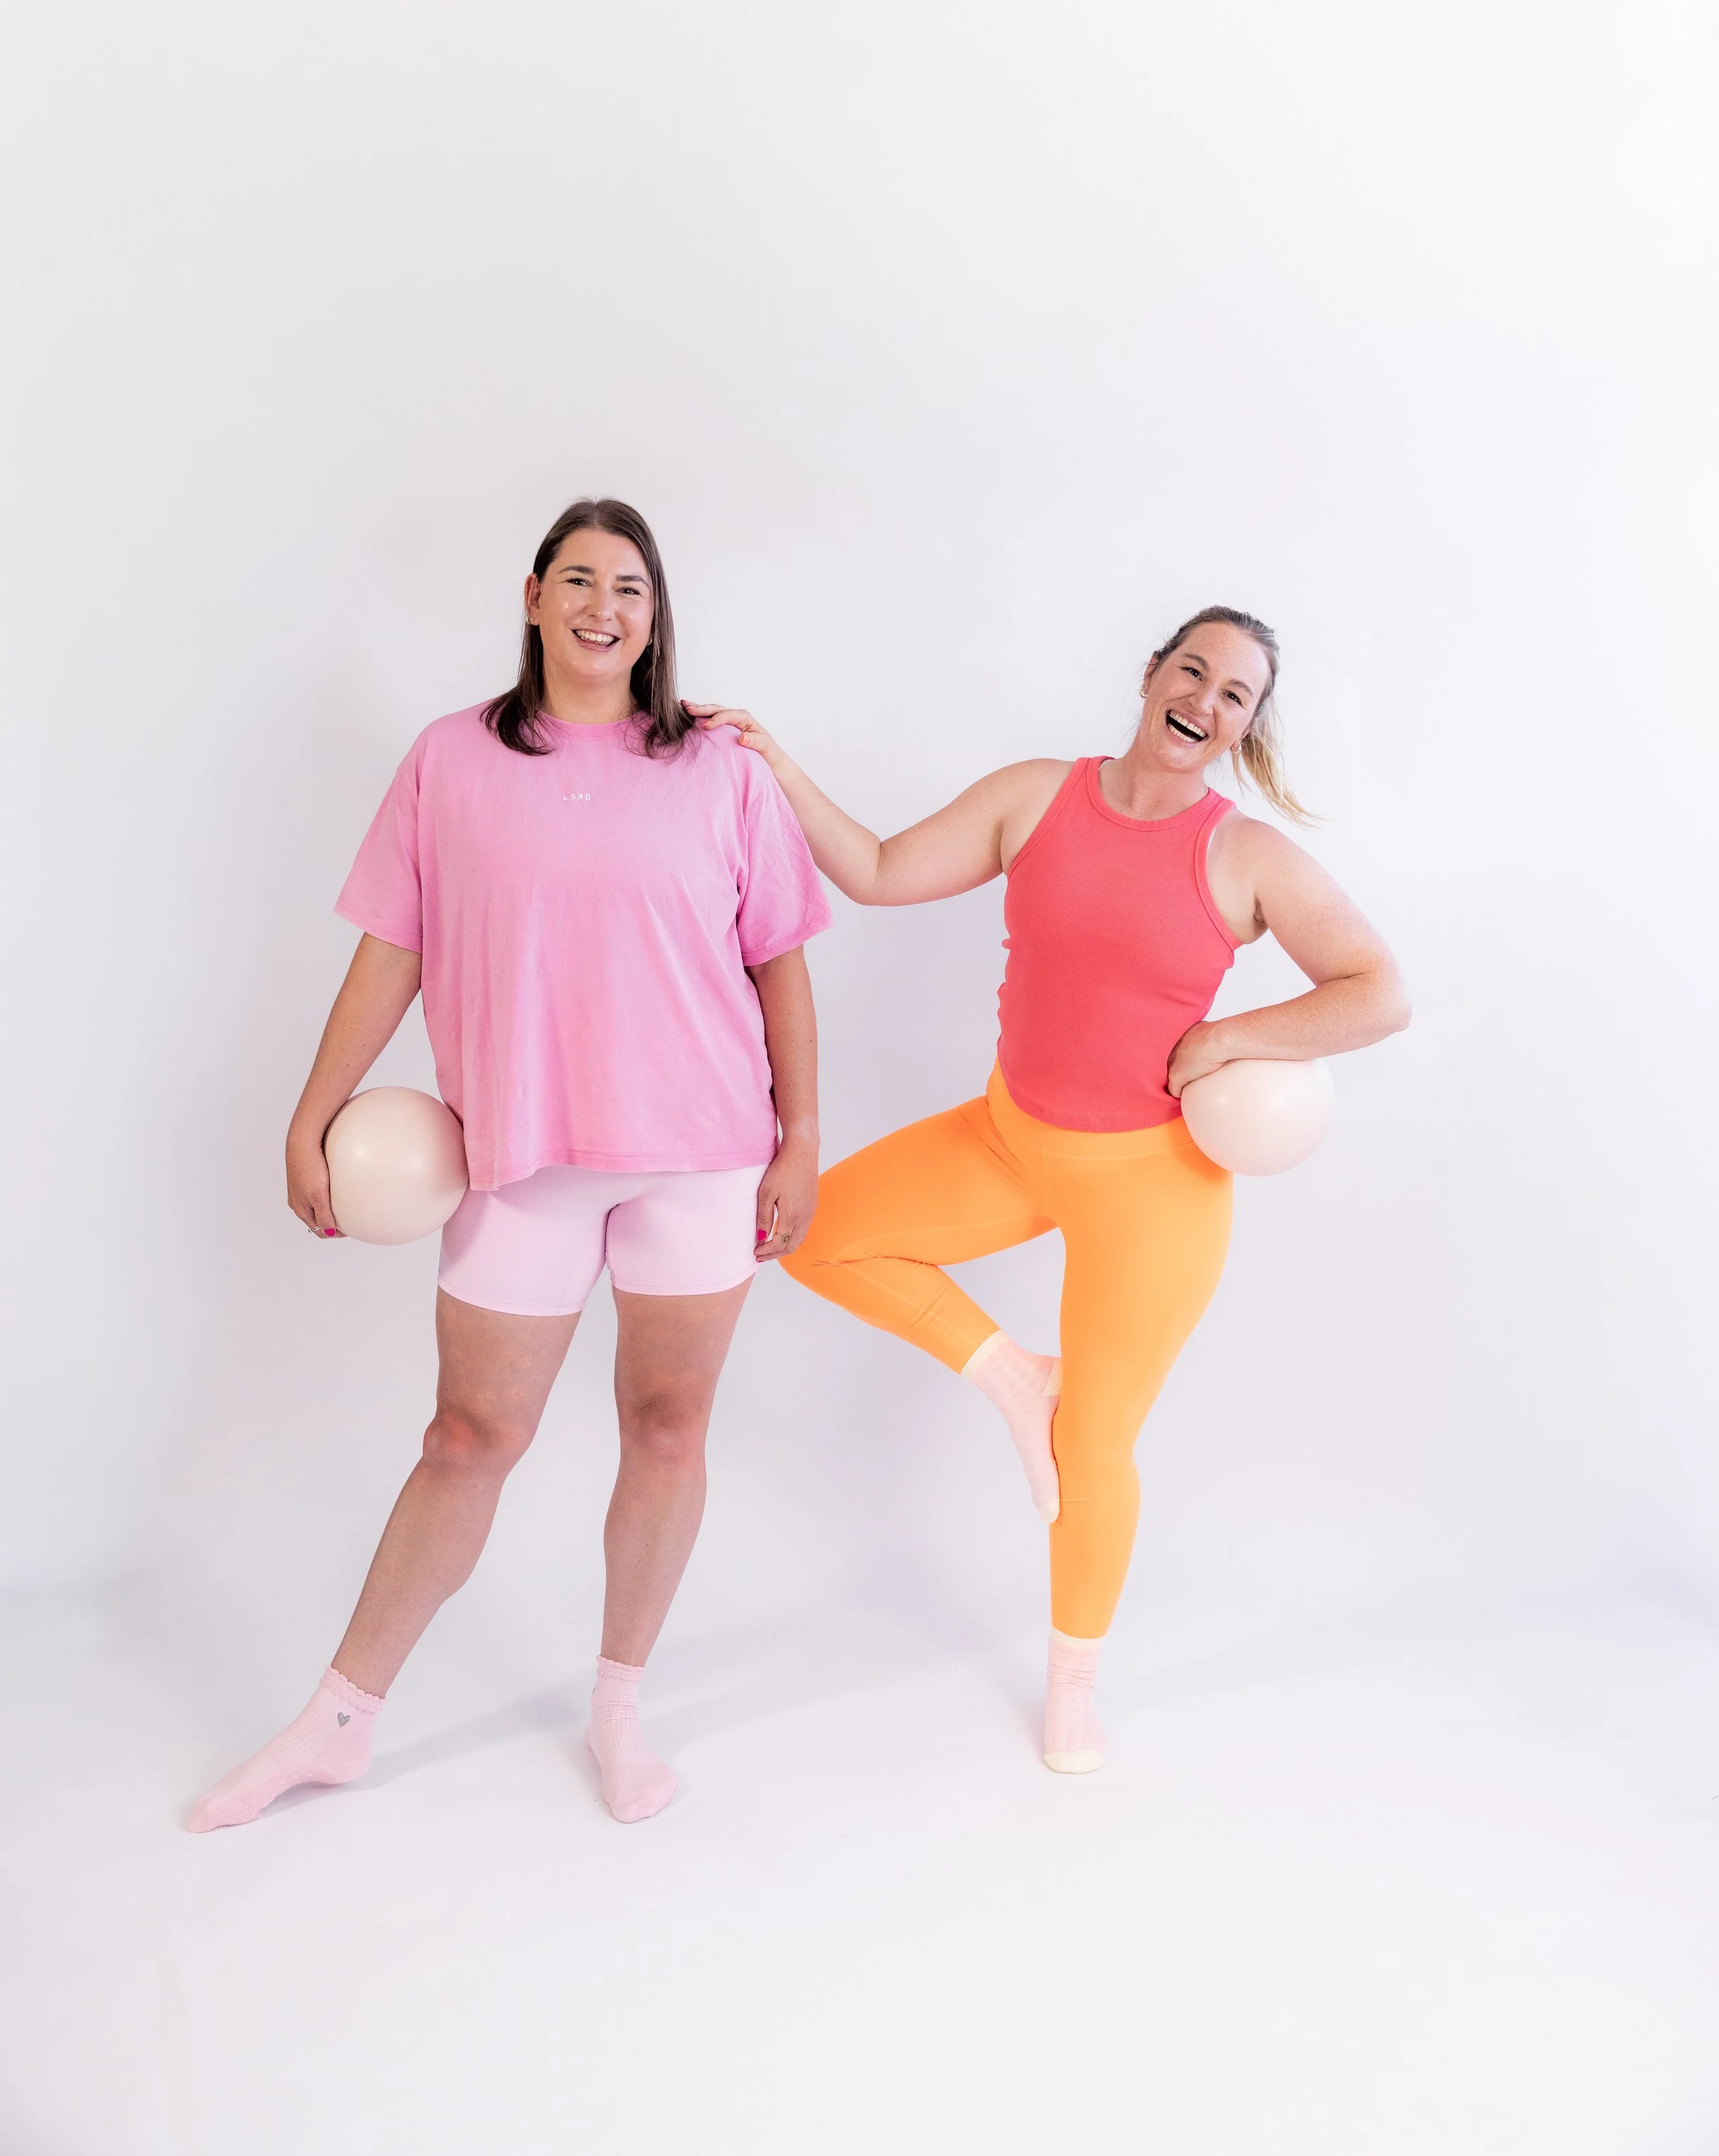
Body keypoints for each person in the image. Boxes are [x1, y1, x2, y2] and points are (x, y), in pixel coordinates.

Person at [189, 498, 828, 1830]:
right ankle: (336, 1723)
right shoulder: (451, 758)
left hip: (704, 1156)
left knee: (669, 1426)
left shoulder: (719, 769)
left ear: (656, 617)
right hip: (522, 1155)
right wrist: (314, 1111)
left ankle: (619, 1712)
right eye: (579, 580)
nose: (605, 607)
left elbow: (779, 961)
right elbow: (393, 944)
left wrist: (803, 1140)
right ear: (533, 597)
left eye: (631, 588)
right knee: (468, 1436)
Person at [692, 608, 1408, 1774]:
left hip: (1156, 1191)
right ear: (1152, 674)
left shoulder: (1246, 856)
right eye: (1193, 672)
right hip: (1007, 1139)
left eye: (1235, 695)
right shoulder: (1036, 796)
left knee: (1097, 1447)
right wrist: (776, 763)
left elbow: (1378, 990)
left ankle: (1074, 1684)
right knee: (818, 1237)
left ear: (1244, 726)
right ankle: (1016, 1379)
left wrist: (1227, 1038)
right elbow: (876, 872)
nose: (1205, 702)